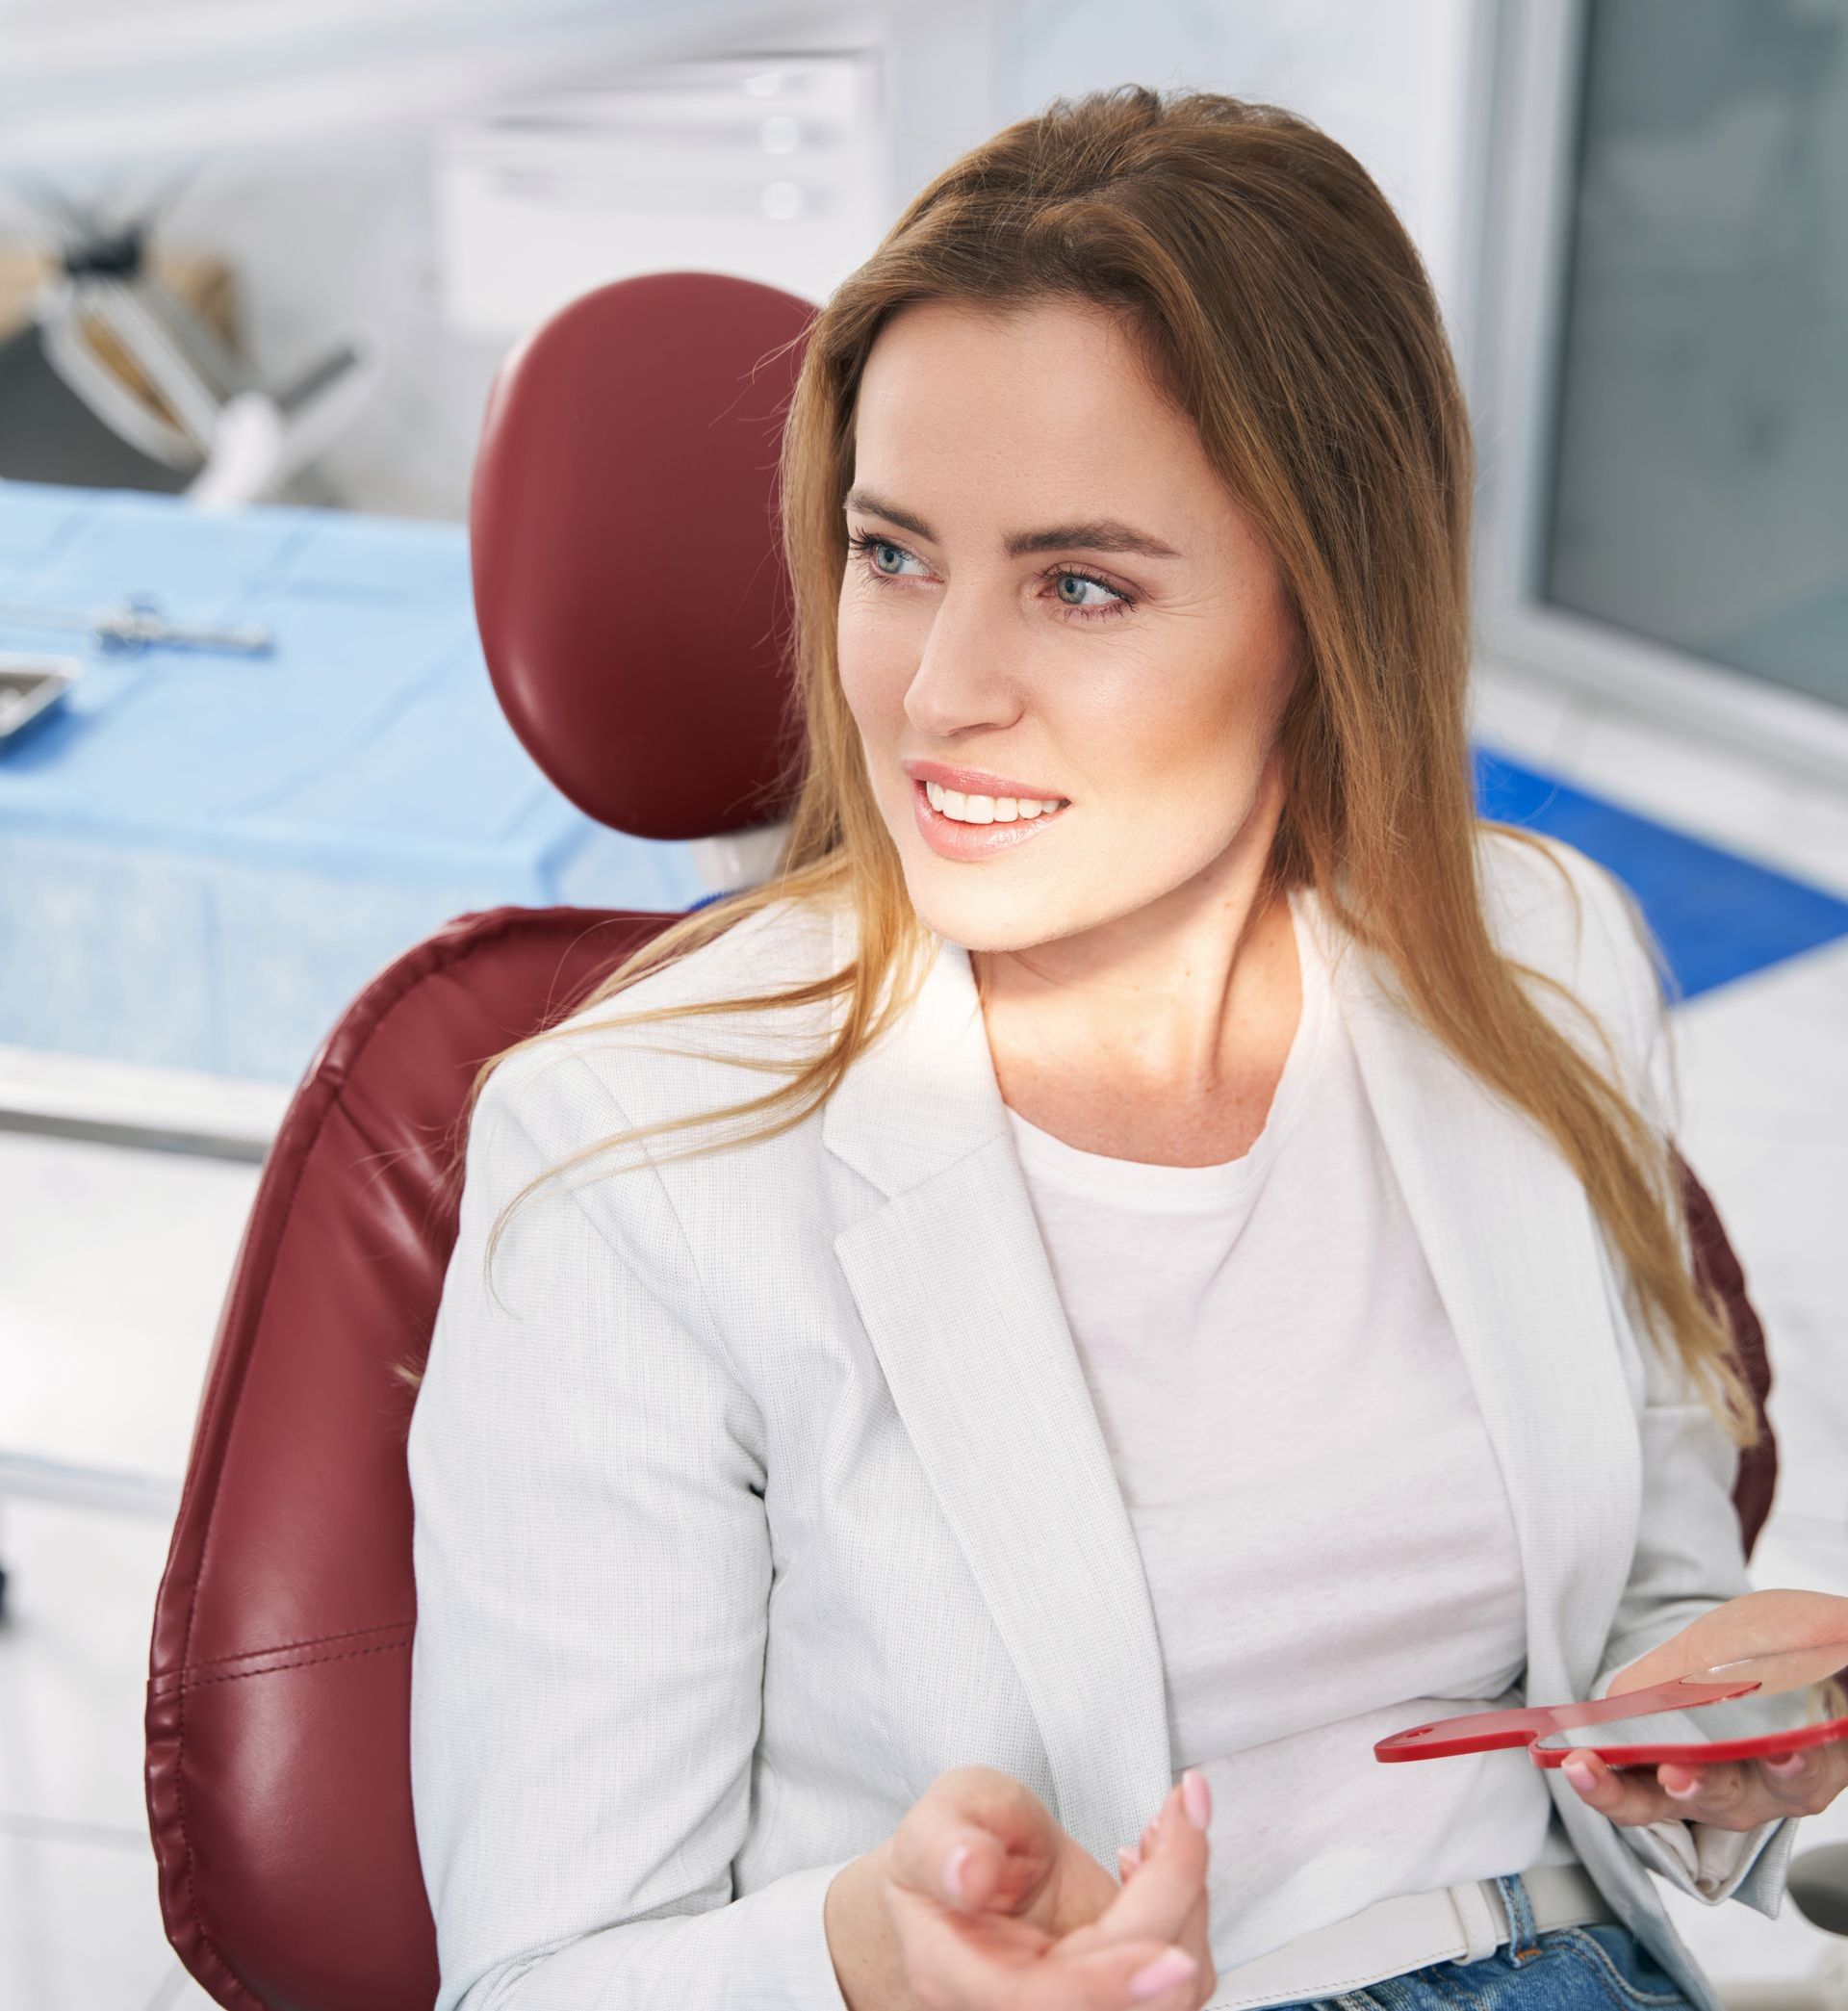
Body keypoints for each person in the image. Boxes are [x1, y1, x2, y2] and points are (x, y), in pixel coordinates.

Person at [402, 85, 1846, 2011]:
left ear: (1324, 613)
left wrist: (1710, 1717)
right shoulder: (632, 1155)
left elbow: (1638, 1616)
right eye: (894, 553)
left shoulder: (1542, 954)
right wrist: (868, 1962)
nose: (940, 686)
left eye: (1080, 583)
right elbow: (542, 1980)